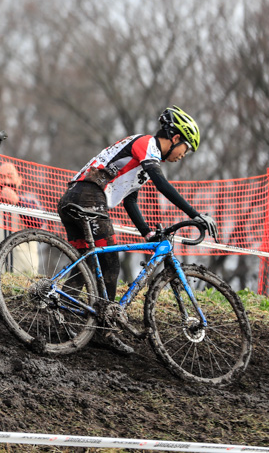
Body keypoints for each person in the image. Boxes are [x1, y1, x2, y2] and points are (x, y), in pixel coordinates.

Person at [57, 105, 216, 356]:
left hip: (73, 198)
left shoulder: (141, 163)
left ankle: (59, 315)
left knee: (87, 266)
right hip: (88, 197)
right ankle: (104, 331)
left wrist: (147, 233)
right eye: (186, 148)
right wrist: (194, 215)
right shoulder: (146, 144)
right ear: (175, 138)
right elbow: (161, 183)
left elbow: (130, 200)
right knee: (109, 263)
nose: (184, 155)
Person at [0, 161, 44, 271]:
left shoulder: (31, 206)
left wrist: (18, 202)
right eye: (2, 177)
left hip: (25, 278)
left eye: (10, 176)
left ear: (19, 180)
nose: (6, 181)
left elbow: (38, 223)